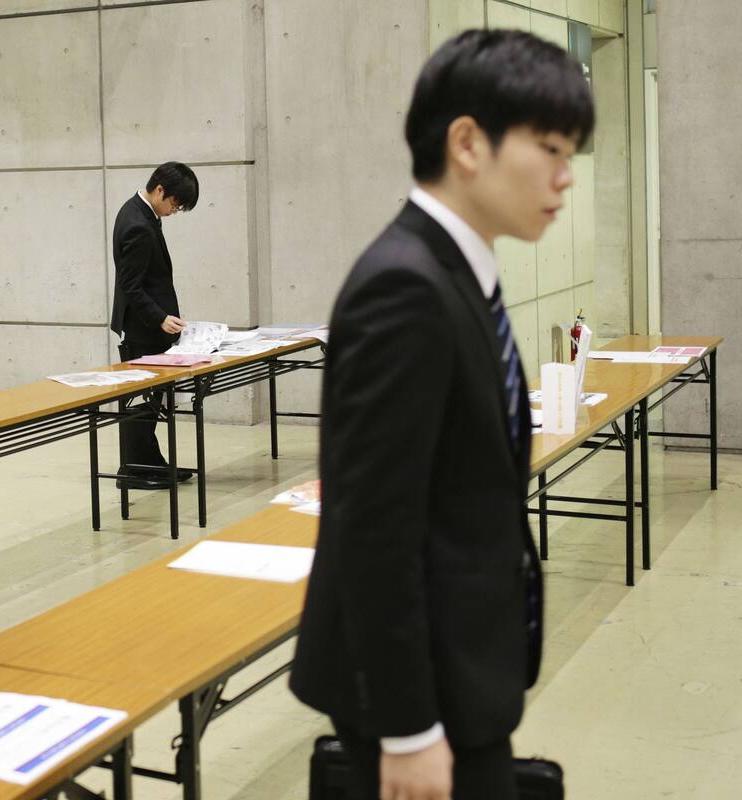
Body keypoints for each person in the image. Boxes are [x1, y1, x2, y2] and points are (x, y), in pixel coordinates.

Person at [290, 29, 594, 800]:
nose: (565, 180)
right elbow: (372, 527)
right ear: (468, 142)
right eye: (551, 150)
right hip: (418, 696)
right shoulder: (406, 287)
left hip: (460, 669)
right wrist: (409, 727)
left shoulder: (459, 269)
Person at [109, 161, 199, 490]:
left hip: (148, 327)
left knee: (151, 401)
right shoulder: (138, 224)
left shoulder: (140, 213)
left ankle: (151, 463)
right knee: (142, 402)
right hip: (143, 330)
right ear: (160, 190)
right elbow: (130, 286)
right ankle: (133, 470)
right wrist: (160, 317)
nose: (175, 211)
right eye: (175, 204)